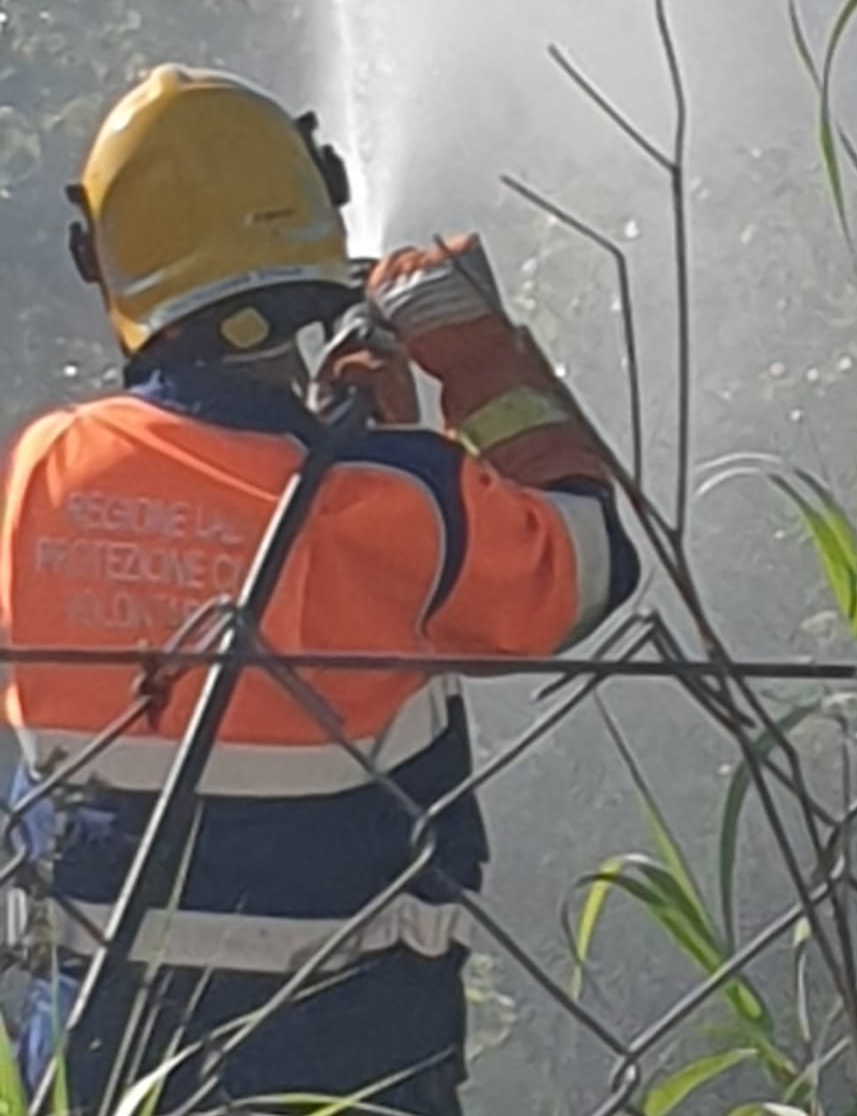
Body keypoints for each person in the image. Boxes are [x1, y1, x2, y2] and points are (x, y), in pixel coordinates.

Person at [0, 64, 639, 1114]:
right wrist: (480, 363)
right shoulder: (396, 505)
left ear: (103, 255)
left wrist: (353, 434)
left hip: (95, 1061)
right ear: (314, 220)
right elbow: (592, 556)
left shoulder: (43, 469)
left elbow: (217, 493)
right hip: (348, 1068)